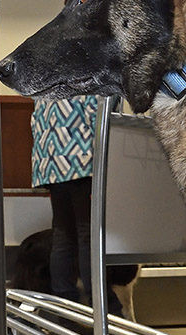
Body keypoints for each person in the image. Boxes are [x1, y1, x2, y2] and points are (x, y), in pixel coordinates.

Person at [30, 95, 123, 318]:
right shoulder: (84, 70)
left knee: (63, 237)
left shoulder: (48, 73)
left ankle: (64, 312)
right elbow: (101, 114)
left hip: (51, 162)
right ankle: (105, 311)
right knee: (88, 237)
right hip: (82, 160)